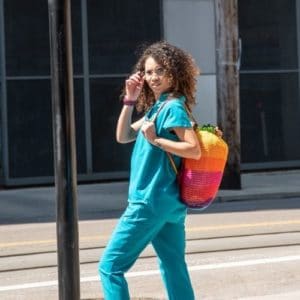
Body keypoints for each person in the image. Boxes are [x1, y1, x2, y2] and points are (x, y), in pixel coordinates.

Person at [98, 41, 201, 300]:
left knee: (110, 268)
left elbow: (193, 149)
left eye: (160, 71)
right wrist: (130, 100)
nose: (154, 77)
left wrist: (158, 140)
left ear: (174, 73)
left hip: (148, 202)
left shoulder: (173, 107)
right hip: (169, 205)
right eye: (149, 72)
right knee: (173, 266)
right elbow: (122, 136)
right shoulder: (158, 108)